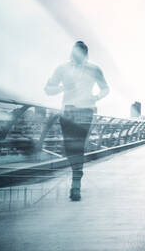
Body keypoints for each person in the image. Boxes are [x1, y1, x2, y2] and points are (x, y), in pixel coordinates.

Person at [44, 41, 109, 201]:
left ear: (85, 55)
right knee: (69, 147)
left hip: (85, 111)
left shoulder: (94, 69)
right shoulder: (62, 68)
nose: (75, 57)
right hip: (68, 111)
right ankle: (77, 175)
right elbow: (47, 89)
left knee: (78, 146)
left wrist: (96, 97)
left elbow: (105, 88)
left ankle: (75, 185)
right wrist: (62, 88)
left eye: (79, 54)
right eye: (73, 54)